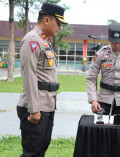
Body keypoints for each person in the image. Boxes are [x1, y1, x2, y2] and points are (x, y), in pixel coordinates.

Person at [16, 3, 67, 157]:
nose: (60, 27)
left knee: (40, 150)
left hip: (47, 105)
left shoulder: (43, 41)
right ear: (46, 20)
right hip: (35, 107)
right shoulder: (32, 40)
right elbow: (29, 76)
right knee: (32, 153)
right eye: (58, 23)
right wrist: (34, 109)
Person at [87, 23, 120, 116]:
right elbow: (91, 78)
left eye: (119, 42)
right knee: (102, 128)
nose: (116, 45)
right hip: (103, 99)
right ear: (108, 38)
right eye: (113, 42)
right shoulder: (100, 54)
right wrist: (93, 100)